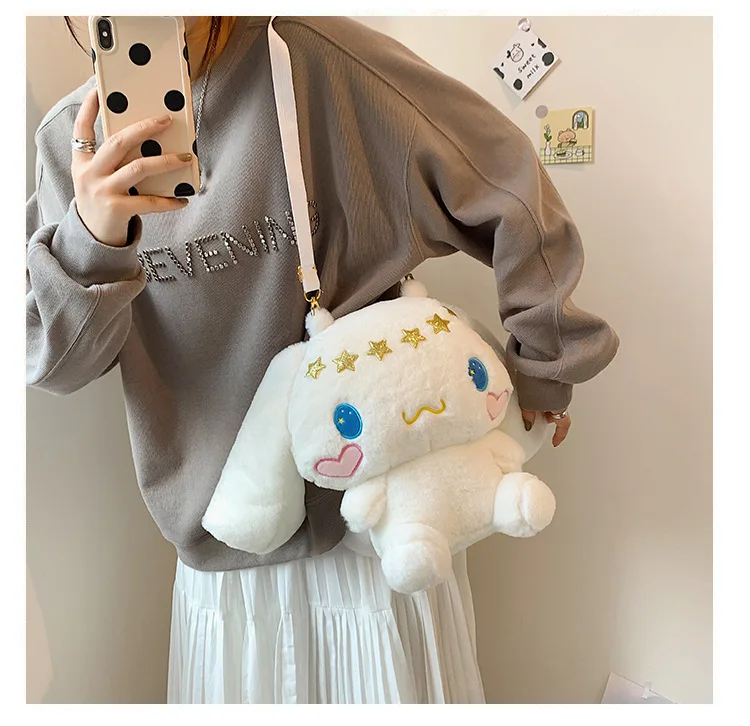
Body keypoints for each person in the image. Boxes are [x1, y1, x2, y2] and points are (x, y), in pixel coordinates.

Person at [26, 16, 618, 704]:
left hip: (376, 541)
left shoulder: (321, 60)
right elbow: (57, 364)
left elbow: (505, 179)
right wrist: (92, 241)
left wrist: (546, 361)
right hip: (226, 568)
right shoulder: (71, 145)